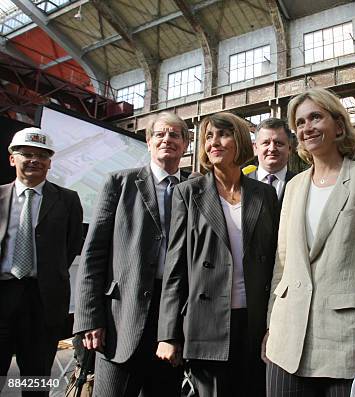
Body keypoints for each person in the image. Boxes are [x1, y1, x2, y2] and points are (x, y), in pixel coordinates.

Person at [265, 87, 355, 396]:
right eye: (300, 122)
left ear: (339, 125)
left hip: (346, 345)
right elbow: (281, 264)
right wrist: (272, 325)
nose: (307, 127)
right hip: (286, 343)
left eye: (315, 117)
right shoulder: (295, 186)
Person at [156, 112, 279, 397]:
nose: (214, 143)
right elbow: (175, 268)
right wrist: (168, 334)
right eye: (208, 137)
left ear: (239, 142)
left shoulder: (264, 194)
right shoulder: (188, 193)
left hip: (254, 323)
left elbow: (274, 262)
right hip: (205, 323)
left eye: (222, 135)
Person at [73, 112, 189, 396]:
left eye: (175, 134)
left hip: (172, 319)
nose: (167, 139)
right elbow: (94, 254)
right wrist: (89, 318)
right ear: (148, 142)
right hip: (119, 320)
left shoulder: (195, 189)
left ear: (186, 144)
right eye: (160, 134)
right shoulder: (119, 183)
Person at [0, 127, 83, 396]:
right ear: (12, 158)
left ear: (50, 162)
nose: (34, 160)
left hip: (43, 303)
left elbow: (70, 246)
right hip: (2, 296)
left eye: (42, 155)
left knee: (35, 381)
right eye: (26, 154)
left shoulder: (68, 200)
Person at [249, 117, 296, 202]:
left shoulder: (300, 184)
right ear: (255, 148)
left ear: (289, 148)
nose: (272, 148)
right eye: (266, 143)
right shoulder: (240, 184)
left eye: (278, 143)